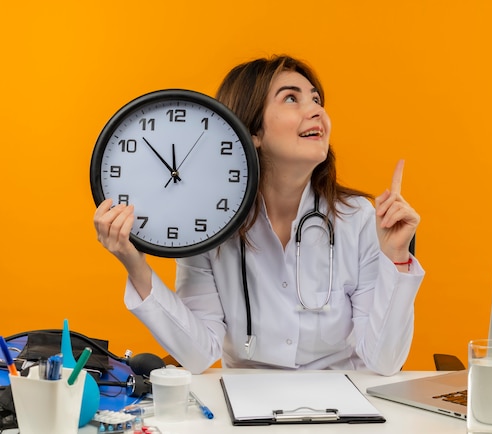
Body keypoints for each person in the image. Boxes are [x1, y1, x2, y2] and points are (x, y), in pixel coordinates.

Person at [94, 55, 424, 376]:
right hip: (245, 407)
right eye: (292, 99)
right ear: (252, 131)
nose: (317, 111)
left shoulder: (359, 219)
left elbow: (384, 361)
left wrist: (395, 258)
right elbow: (197, 354)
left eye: (316, 99)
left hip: (342, 404)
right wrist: (134, 263)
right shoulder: (210, 228)